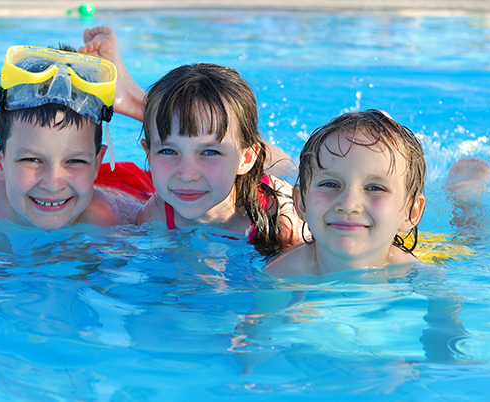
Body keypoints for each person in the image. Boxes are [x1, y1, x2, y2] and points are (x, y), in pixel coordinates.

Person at [80, 27, 303, 256]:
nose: (187, 174)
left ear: (245, 159)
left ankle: (138, 102)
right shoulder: (154, 217)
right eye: (168, 151)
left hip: (264, 178)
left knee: (284, 162)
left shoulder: (282, 217)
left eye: (209, 152)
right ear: (148, 153)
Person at [0, 44, 153, 231]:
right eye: (32, 160)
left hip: (130, 185)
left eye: (75, 161)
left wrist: (139, 105)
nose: (53, 185)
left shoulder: (111, 223)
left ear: (97, 163)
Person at [265, 109, 427, 275]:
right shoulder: (277, 277)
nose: (348, 205)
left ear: (411, 211)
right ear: (301, 203)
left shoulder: (426, 281)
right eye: (330, 184)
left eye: (375, 188)